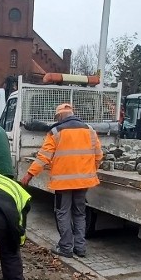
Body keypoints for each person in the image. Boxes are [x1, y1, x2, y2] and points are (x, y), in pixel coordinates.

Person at [20, 102, 103, 258]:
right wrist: (89, 170)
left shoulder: (56, 131)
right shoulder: (89, 130)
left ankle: (65, 247)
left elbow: (43, 157)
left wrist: (29, 174)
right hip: (83, 182)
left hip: (63, 183)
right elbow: (98, 155)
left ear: (58, 116)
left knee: (62, 213)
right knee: (79, 214)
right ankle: (80, 248)